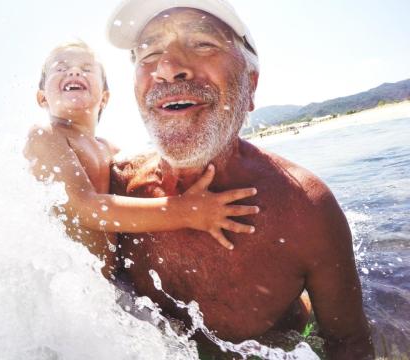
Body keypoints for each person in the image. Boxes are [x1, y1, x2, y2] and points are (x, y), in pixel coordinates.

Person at [105, 1, 374, 359]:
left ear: (251, 84)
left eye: (202, 44)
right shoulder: (116, 192)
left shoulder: (305, 210)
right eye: (149, 53)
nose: (168, 68)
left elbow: (349, 344)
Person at [24, 40, 260, 279]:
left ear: (104, 98)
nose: (74, 71)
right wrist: (186, 210)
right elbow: (85, 208)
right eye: (61, 68)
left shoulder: (109, 148)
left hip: (110, 285)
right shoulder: (46, 135)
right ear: (42, 98)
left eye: (86, 68)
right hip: (69, 287)